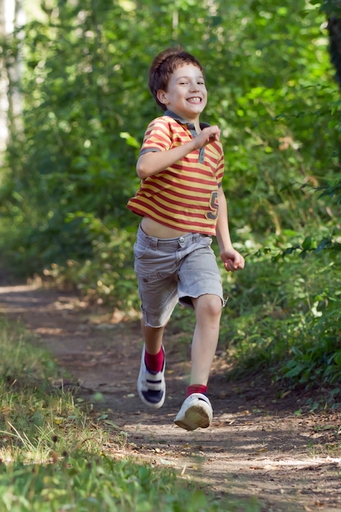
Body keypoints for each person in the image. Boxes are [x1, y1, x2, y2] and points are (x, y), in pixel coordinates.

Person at [127, 47, 245, 431]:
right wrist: (194, 143)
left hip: (197, 243)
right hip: (155, 248)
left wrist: (225, 243)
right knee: (154, 319)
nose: (195, 86)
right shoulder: (163, 127)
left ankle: (197, 395)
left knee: (211, 304)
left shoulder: (214, 143)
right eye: (183, 82)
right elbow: (145, 167)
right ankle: (153, 357)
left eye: (200, 81)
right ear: (164, 96)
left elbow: (218, 191)